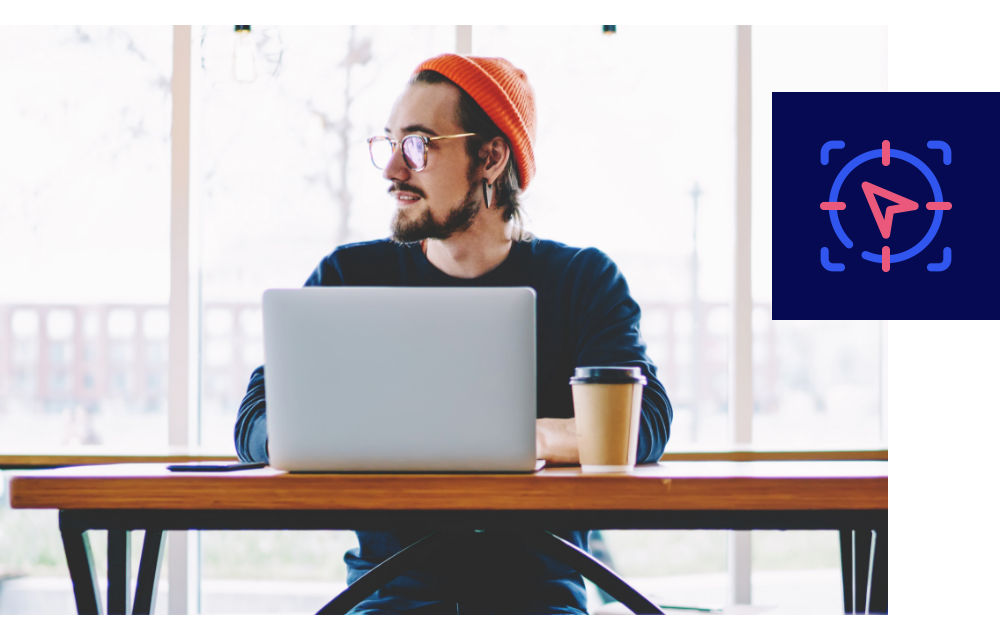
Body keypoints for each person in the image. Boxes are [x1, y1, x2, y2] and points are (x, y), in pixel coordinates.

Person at [234, 53, 672, 614]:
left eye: (418, 144)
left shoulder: (582, 282)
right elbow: (253, 419)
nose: (392, 169)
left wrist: (523, 441)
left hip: (538, 600)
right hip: (386, 597)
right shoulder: (350, 278)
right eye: (389, 143)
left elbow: (647, 422)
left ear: (489, 157)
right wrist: (308, 439)